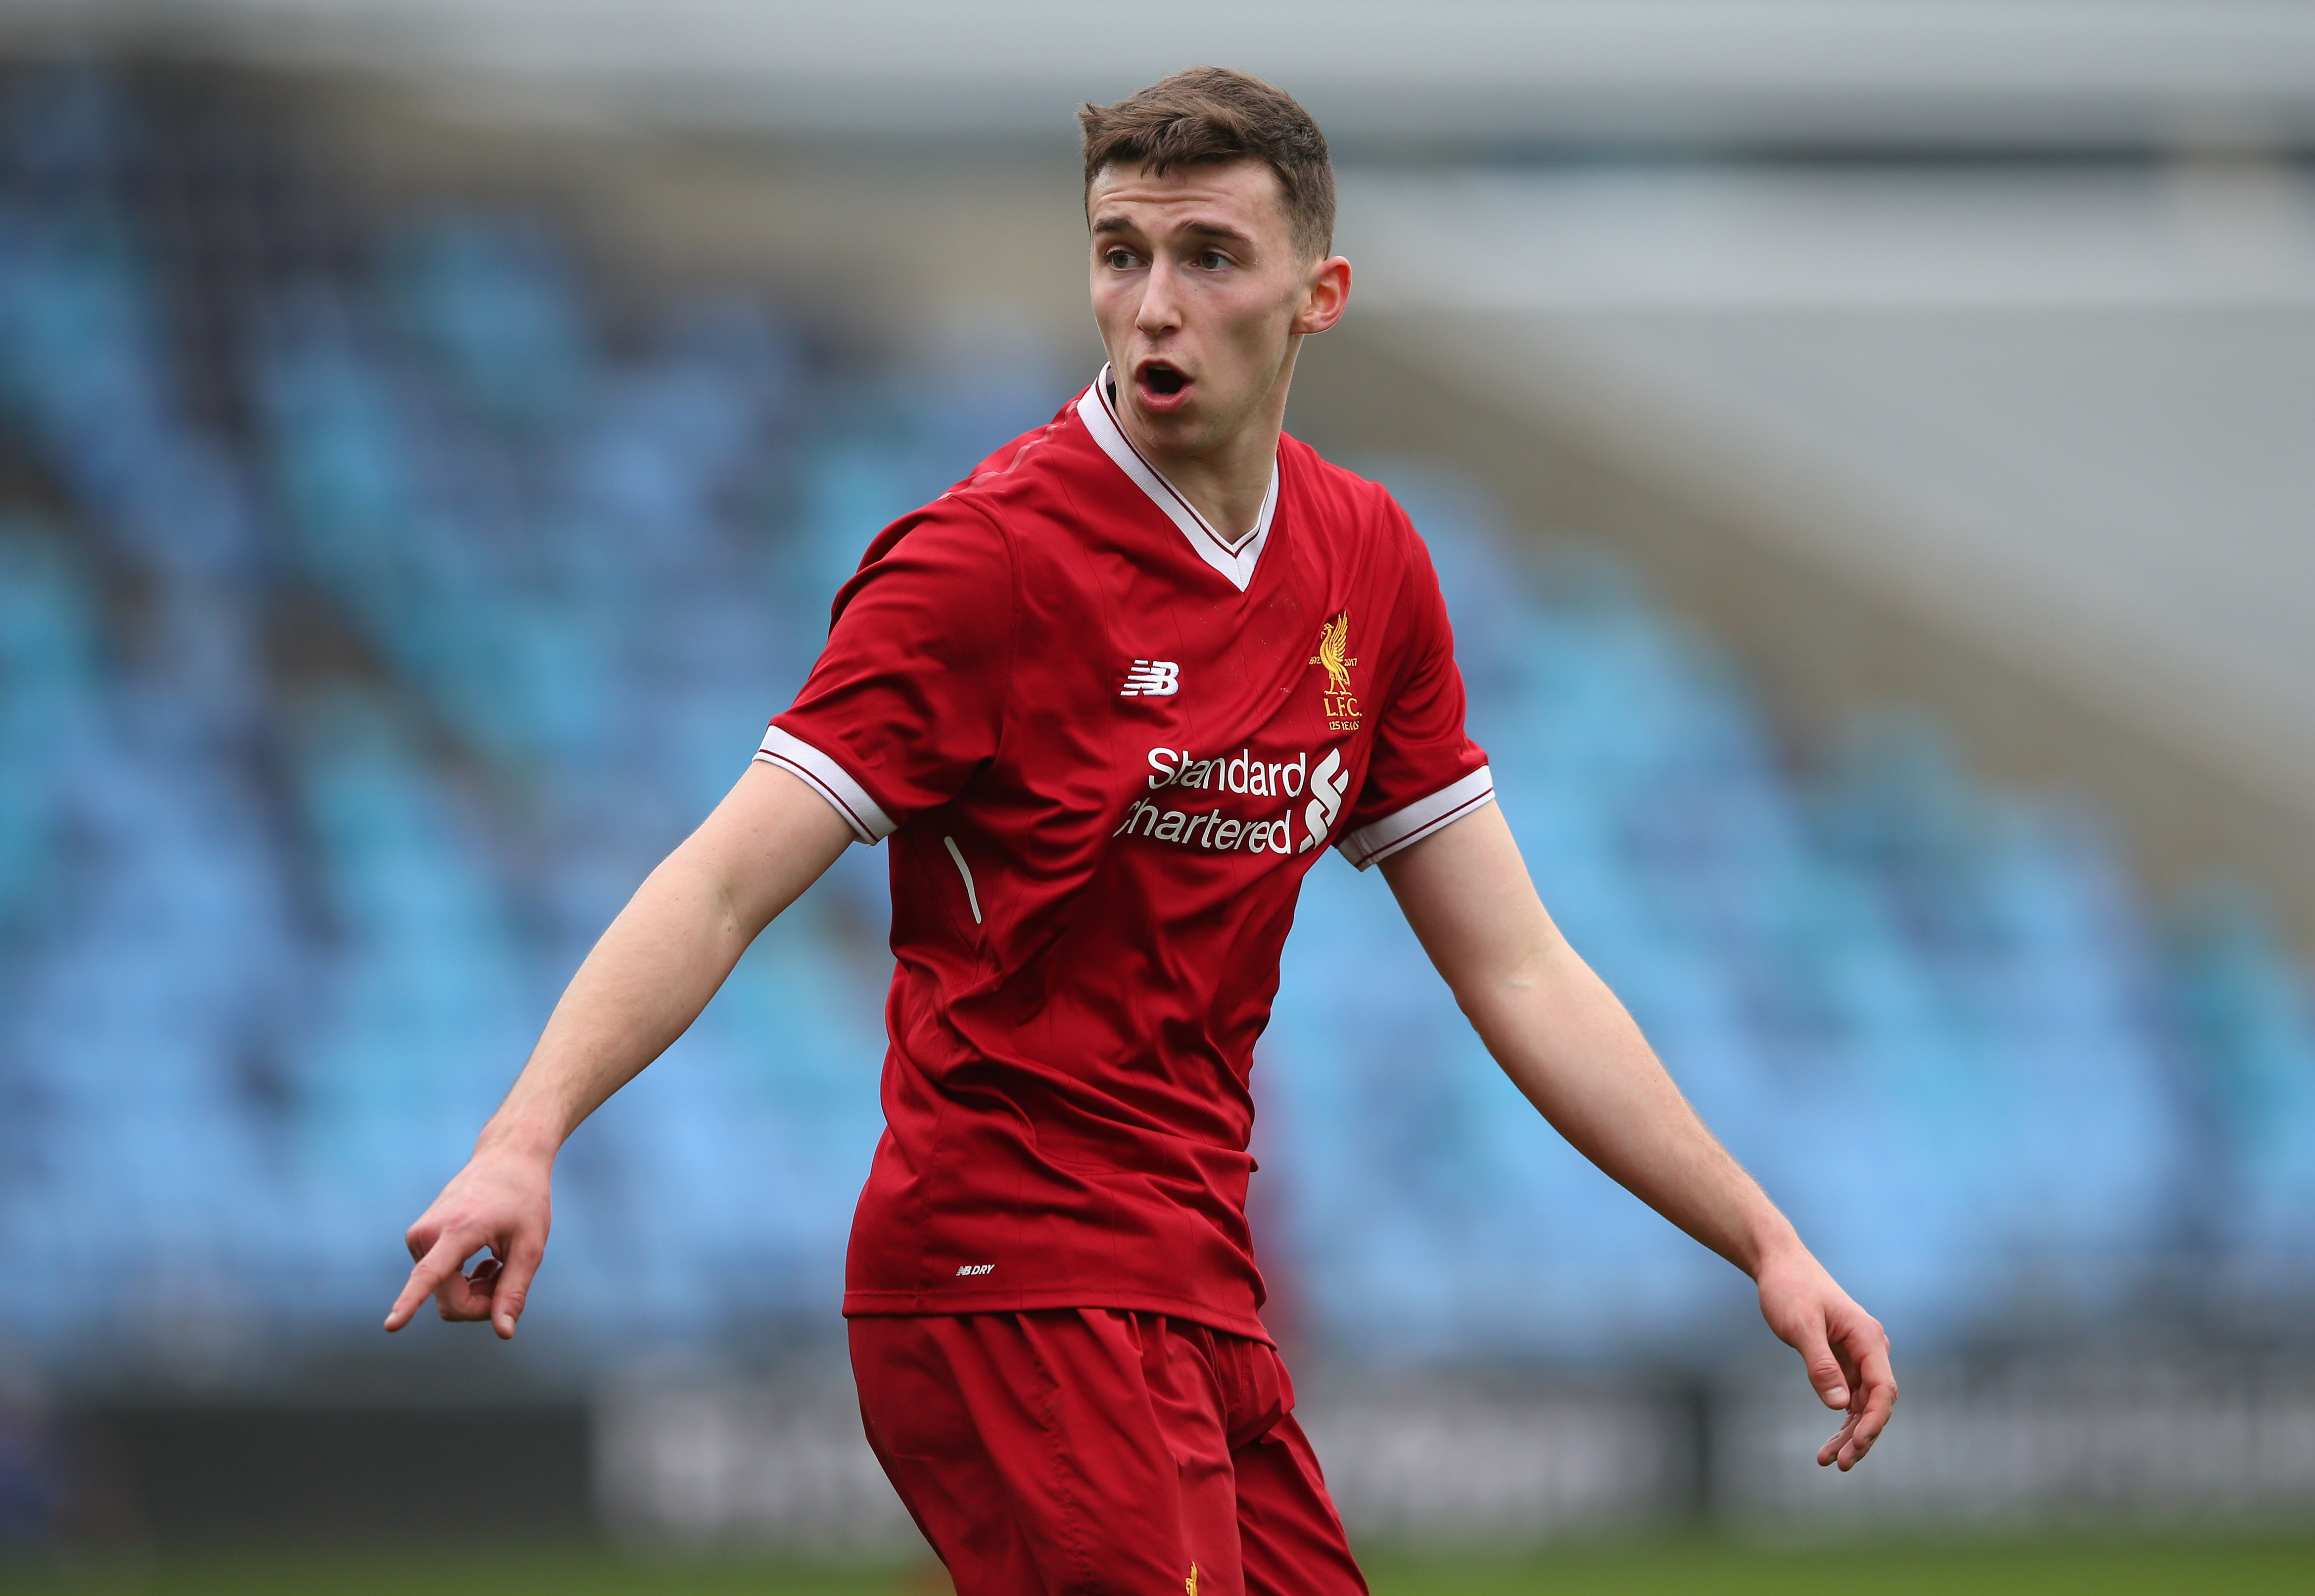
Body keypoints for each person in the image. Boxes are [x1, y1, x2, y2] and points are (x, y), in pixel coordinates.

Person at [385, 66, 1895, 1595]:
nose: (1154, 302)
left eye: (1209, 258)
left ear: (1319, 293)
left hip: (1200, 1286)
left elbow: (1519, 970)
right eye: (1122, 254)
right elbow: (717, 883)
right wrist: (526, 1135)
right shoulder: (984, 566)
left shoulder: (1365, 562)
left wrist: (1762, 1238)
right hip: (1005, 1274)